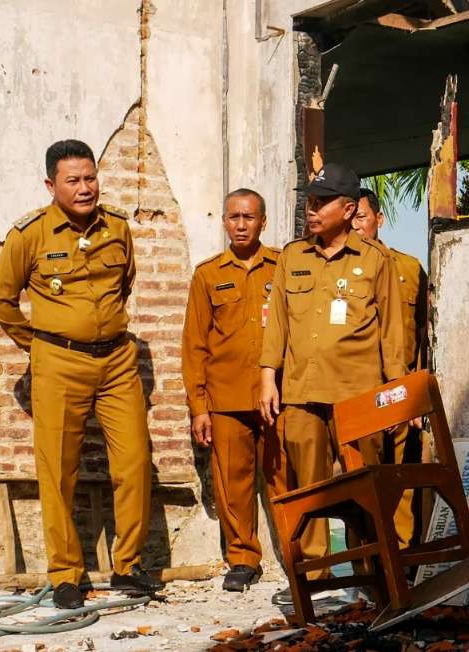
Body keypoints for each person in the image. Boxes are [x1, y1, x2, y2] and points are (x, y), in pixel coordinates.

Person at [0, 139, 163, 610]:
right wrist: (42, 345)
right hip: (58, 364)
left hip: (117, 361)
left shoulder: (118, 227)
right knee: (57, 470)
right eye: (73, 180)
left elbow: (123, 285)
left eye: (90, 178)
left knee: (135, 463)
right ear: (51, 185)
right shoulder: (29, 234)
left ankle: (128, 566)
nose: (85, 189)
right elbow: (0, 302)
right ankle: (66, 574)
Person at [258, 163, 408, 605]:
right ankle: (317, 585)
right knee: (309, 494)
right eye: (310, 201)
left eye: (322, 203)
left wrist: (395, 398)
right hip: (301, 394)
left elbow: (393, 338)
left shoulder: (375, 261)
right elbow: (278, 326)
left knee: (365, 493)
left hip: (358, 398)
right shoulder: (293, 257)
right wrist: (268, 378)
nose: (312, 210)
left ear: (348, 209)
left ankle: (374, 581)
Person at [181, 188, 287, 592]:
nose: (241, 225)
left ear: (263, 221)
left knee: (285, 479)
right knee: (233, 485)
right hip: (225, 397)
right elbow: (194, 343)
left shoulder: (283, 266)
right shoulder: (208, 274)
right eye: (233, 217)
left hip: (277, 394)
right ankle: (243, 559)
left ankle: (300, 558)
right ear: (224, 221)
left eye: (249, 217)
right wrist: (198, 405)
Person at [352, 188, 428, 548]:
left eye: (362, 218)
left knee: (401, 476)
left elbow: (426, 333)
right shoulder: (341, 273)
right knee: (362, 478)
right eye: (350, 218)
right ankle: (367, 559)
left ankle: (402, 558)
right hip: (360, 390)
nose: (356, 226)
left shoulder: (410, 268)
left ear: (379, 220)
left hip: (399, 390)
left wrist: (418, 394)